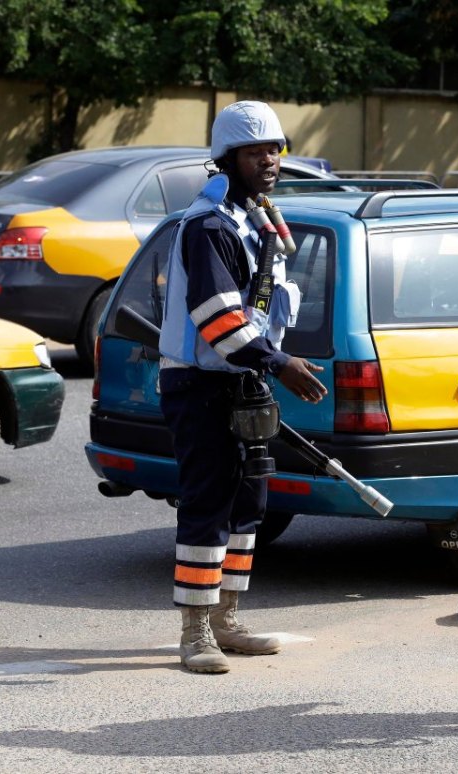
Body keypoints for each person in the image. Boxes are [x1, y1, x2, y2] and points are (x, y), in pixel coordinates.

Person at [158, 100, 328, 674]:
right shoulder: (207, 227)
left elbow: (258, 314)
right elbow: (218, 319)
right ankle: (195, 630)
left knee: (248, 500)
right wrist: (280, 363)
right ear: (226, 159)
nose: (270, 160)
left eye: (275, 149)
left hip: (243, 380)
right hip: (200, 383)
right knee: (206, 502)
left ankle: (228, 619)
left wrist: (270, 361)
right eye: (256, 151)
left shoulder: (253, 220)